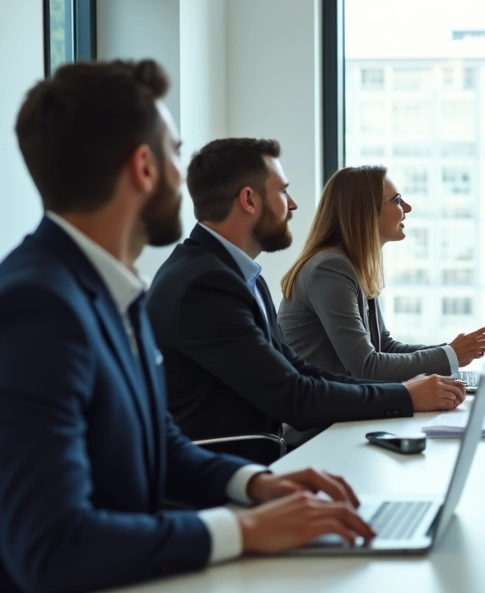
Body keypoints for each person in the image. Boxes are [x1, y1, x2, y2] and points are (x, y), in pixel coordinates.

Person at [0, 59, 374, 592]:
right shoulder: (38, 306)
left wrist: (259, 485)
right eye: (176, 155)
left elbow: (159, 443)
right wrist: (242, 530)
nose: (185, 176)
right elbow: (53, 546)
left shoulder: (109, 287)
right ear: (144, 168)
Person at [147, 139, 466, 445]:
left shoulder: (242, 277)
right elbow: (292, 395)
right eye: (283, 191)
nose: (294, 204)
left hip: (256, 463)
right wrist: (404, 395)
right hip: (229, 474)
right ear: (249, 200)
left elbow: (298, 369)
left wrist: (404, 391)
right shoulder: (206, 286)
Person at [278, 165, 485, 380]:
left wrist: (452, 351)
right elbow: (367, 366)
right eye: (397, 201)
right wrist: (449, 355)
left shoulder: (353, 265)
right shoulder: (330, 268)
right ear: (365, 211)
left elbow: (384, 346)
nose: (408, 208)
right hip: (326, 415)